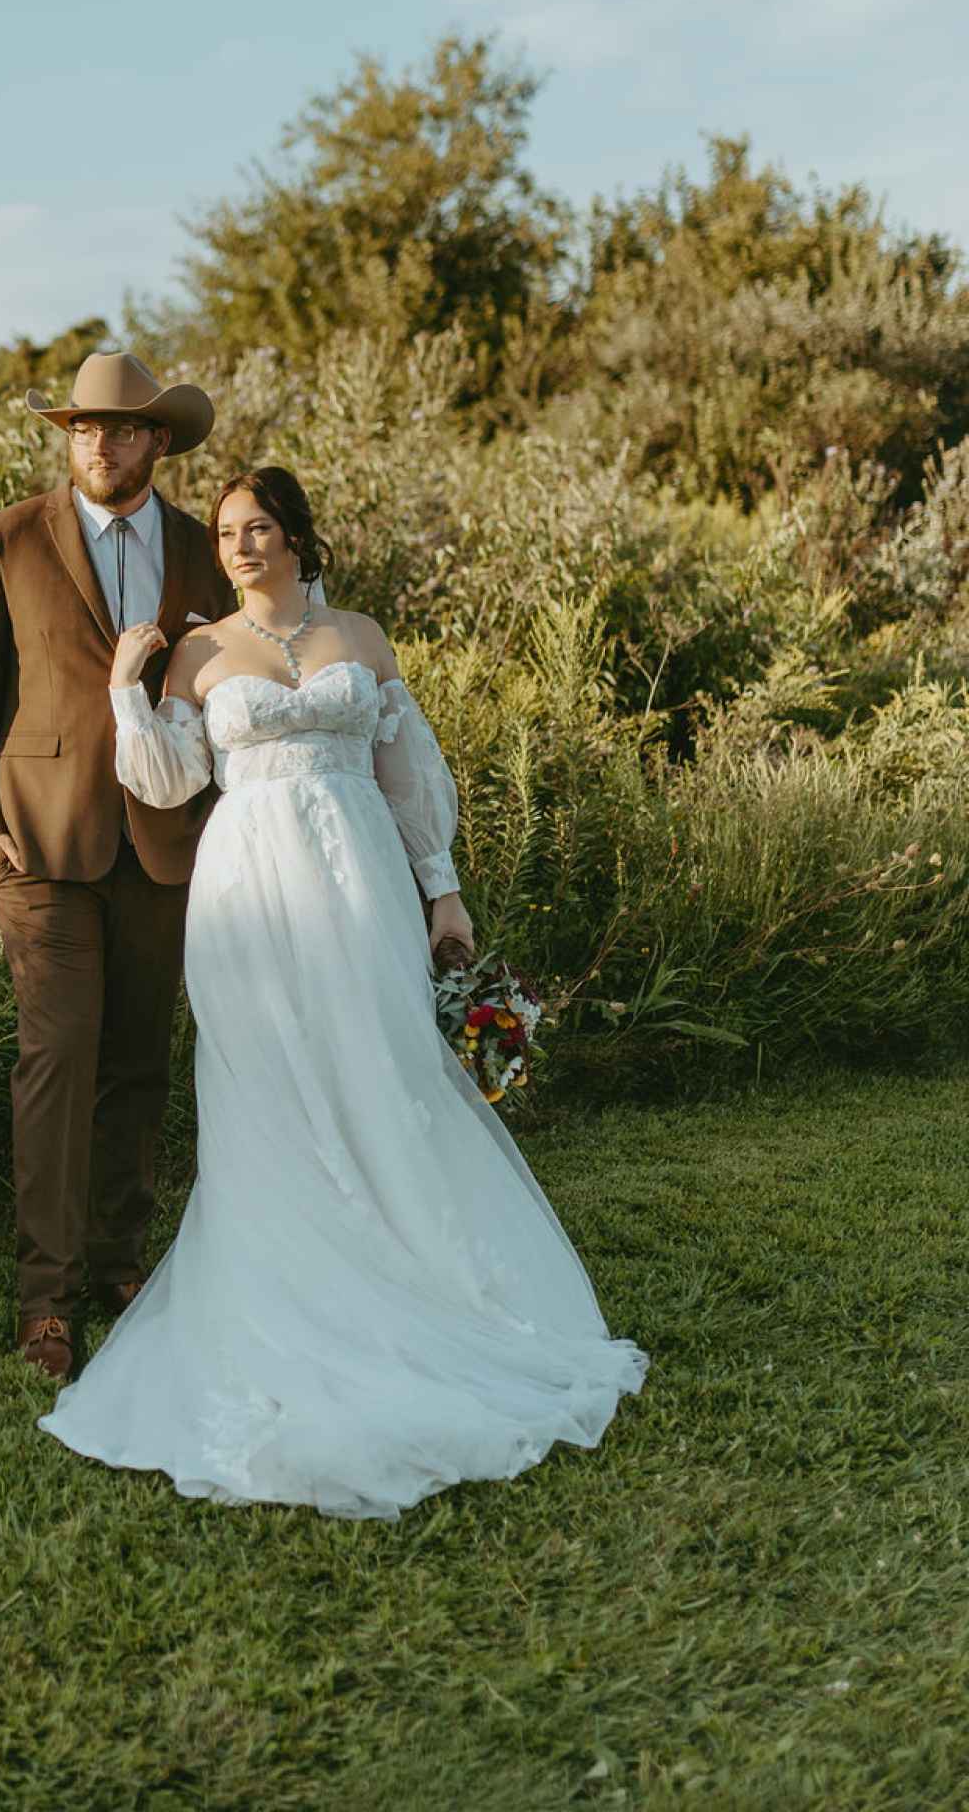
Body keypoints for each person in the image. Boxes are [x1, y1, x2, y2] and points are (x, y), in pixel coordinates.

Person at [37, 465, 646, 1518]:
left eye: (257, 527)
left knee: (382, 1065)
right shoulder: (199, 652)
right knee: (268, 1086)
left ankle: (416, 1269)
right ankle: (291, 1286)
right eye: (225, 532)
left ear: (296, 535)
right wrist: (125, 691)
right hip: (248, 894)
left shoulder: (361, 638)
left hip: (360, 878)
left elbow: (411, 776)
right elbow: (169, 782)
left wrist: (442, 894)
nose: (239, 546)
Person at [0, 351, 234, 1379]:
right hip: (39, 845)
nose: (99, 444)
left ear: (157, 440)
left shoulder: (202, 550)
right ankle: (47, 1298)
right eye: (83, 428)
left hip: (164, 845)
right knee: (56, 1062)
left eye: (118, 428)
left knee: (139, 1062)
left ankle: (119, 1263)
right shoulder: (10, 538)